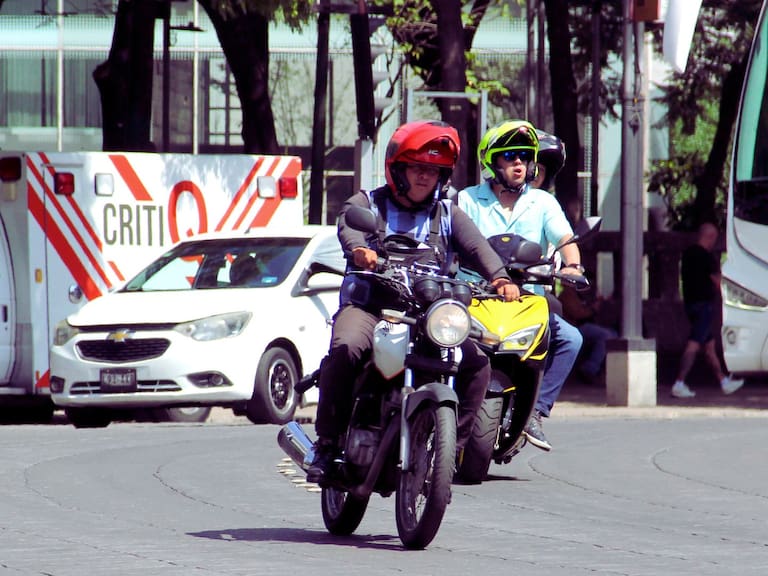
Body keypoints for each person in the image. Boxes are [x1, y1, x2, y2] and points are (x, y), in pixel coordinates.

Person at [307, 120, 521, 484]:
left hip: (425, 315)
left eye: (433, 171)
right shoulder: (368, 203)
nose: (425, 177)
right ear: (397, 169)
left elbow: (476, 246)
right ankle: (327, 445)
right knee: (347, 347)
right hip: (371, 308)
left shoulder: (448, 213)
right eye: (417, 168)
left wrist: (500, 277)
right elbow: (349, 225)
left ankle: (450, 450)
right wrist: (359, 250)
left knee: (477, 363)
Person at [457, 120, 583, 452]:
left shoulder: (542, 202)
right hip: (475, 298)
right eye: (510, 156)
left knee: (570, 339)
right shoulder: (467, 200)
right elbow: (450, 240)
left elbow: (565, 238)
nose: (519, 163)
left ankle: (535, 412)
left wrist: (573, 266)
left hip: (527, 302)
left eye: (525, 157)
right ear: (492, 162)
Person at [671, 222, 744, 398]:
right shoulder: (706, 257)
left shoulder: (688, 254)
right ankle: (679, 382)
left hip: (691, 304)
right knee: (694, 344)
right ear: (710, 237)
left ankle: (723, 381)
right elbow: (717, 281)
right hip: (704, 306)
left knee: (709, 347)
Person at [558, 283, 617, 385]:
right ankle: (589, 368)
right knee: (605, 336)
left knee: (613, 334)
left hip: (585, 324)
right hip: (575, 326)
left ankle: (609, 372)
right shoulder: (567, 293)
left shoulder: (581, 294)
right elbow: (577, 313)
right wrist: (593, 309)